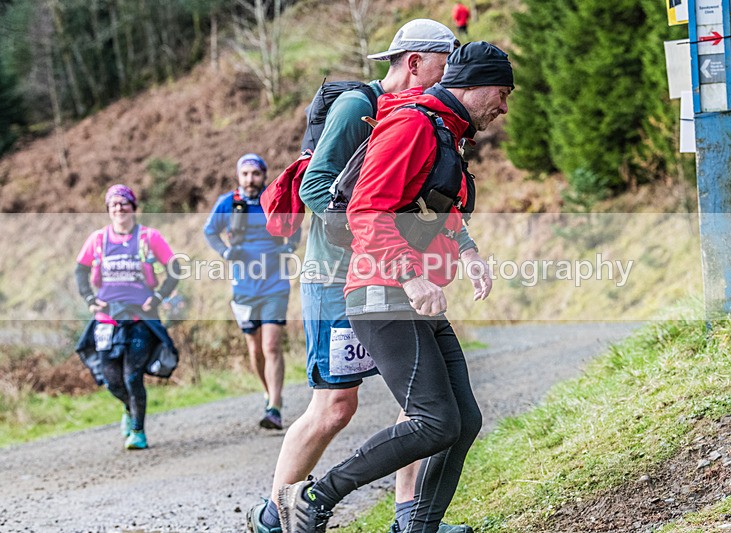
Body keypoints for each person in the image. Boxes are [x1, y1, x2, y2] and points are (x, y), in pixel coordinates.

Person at [247, 19, 477, 533]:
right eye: (446, 62)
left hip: (387, 274)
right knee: (334, 406)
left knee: (420, 400)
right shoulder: (359, 107)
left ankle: (411, 518)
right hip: (335, 276)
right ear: (414, 62)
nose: (452, 74)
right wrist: (375, 249)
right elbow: (315, 187)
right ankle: (276, 515)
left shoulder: (425, 117)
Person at [74, 184, 181, 450]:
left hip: (140, 319)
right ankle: (128, 407)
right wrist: (89, 299)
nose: (119, 208)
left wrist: (157, 298)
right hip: (107, 319)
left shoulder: (149, 237)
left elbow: (174, 268)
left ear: (133, 207)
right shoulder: (98, 240)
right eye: (114, 204)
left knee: (133, 376)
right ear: (108, 210)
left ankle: (138, 432)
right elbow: (80, 271)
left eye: (124, 203)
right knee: (112, 380)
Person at [204, 153, 299, 430]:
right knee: (255, 349)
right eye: (245, 174)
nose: (250, 179)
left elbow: (293, 225)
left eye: (255, 173)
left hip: (274, 284)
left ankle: (275, 407)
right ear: (238, 176)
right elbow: (210, 231)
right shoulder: (229, 204)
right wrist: (225, 252)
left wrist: (289, 246)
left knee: (271, 345)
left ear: (263, 175)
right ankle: (269, 392)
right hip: (243, 287)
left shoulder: (274, 197)